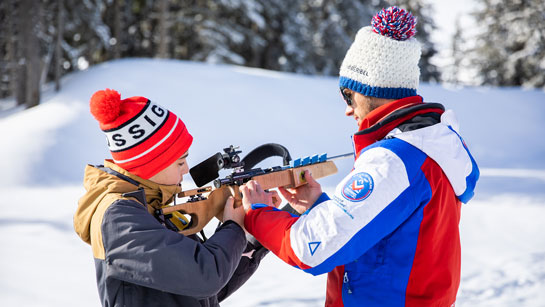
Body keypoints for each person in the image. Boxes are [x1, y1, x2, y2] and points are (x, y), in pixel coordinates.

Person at [240, 6, 480, 307]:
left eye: (348, 94)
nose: (347, 109)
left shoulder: (395, 161)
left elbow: (311, 251)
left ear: (371, 90)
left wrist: (257, 213)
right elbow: (383, 237)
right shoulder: (433, 145)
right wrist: (318, 206)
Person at [74, 89, 268, 307]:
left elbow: (204, 292)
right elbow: (205, 277)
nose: (186, 169)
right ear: (149, 165)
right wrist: (235, 226)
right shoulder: (119, 216)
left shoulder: (153, 205)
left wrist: (252, 233)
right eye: (179, 162)